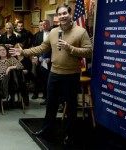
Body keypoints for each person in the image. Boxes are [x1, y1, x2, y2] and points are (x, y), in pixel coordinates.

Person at [11, 4, 92, 145]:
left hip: (71, 75)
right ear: (57, 16)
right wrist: (23, 52)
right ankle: (47, 130)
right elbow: (42, 47)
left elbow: (88, 51)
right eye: (60, 14)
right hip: (54, 73)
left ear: (70, 13)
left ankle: (69, 134)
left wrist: (70, 48)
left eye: (65, 13)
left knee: (70, 107)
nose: (63, 16)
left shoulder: (81, 31)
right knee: (51, 104)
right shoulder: (54, 32)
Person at [0, 44, 23, 113]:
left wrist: (10, 67)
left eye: (4, 50)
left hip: (9, 81)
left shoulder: (11, 59)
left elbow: (21, 66)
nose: (2, 51)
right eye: (0, 50)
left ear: (6, 51)